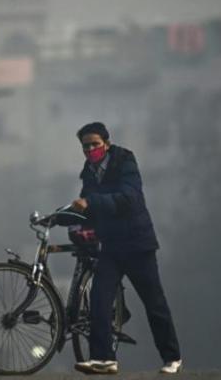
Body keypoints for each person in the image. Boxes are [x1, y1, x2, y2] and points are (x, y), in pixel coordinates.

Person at [71, 122, 182, 375]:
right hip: (111, 247)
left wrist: (90, 202)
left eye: (94, 144)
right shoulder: (89, 172)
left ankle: (172, 357)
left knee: (154, 303)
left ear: (106, 144)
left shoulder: (125, 162)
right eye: (85, 146)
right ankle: (103, 358)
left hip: (137, 244)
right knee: (99, 300)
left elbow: (128, 198)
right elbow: (87, 210)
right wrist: (67, 220)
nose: (90, 150)